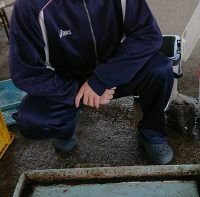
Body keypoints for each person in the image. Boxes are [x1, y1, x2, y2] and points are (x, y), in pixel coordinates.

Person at [9, 0, 174, 164]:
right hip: (66, 82)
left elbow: (148, 35)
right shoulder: (28, 5)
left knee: (159, 69)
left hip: (114, 72)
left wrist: (101, 80)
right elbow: (25, 72)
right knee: (32, 119)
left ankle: (152, 134)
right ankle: (66, 128)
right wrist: (75, 91)